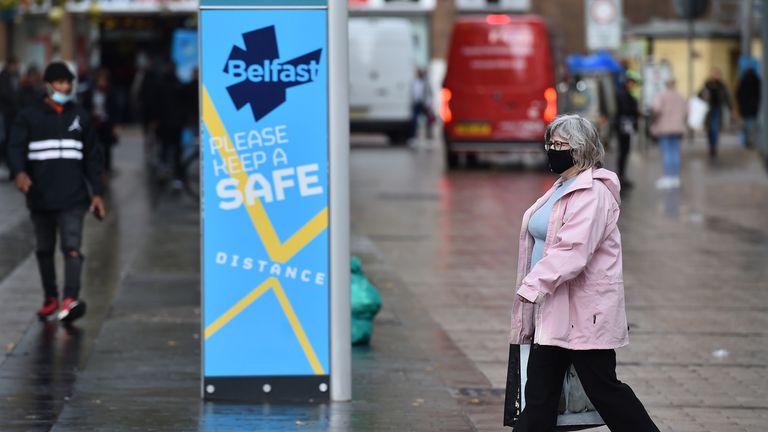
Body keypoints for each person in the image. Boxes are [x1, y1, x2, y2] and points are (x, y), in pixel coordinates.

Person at [509, 114, 660, 432]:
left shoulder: (593, 194)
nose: (551, 149)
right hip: (554, 308)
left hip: (585, 313)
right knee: (538, 398)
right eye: (549, 142)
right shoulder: (563, 186)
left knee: (605, 391)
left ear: (580, 149)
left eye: (559, 144)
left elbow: (573, 251)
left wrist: (532, 285)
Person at [6, 61, 106, 323]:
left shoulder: (80, 116)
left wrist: (96, 192)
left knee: (72, 246)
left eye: (68, 83)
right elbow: (14, 147)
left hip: (73, 197)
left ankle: (70, 299)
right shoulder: (29, 116)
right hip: (40, 196)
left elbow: (93, 157)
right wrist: (19, 172)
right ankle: (51, 298)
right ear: (48, 85)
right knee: (44, 249)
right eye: (60, 83)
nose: (65, 87)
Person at [651, 78, 687, 189]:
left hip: (664, 128)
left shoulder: (661, 96)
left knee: (666, 153)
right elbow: (687, 112)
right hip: (677, 128)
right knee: (675, 153)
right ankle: (675, 177)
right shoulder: (680, 97)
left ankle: (667, 177)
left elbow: (656, 109)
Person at [82, 69, 119, 174]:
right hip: (94, 123)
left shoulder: (110, 92)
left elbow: (114, 109)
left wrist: (114, 125)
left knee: (107, 147)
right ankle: (95, 166)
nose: (102, 83)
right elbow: (85, 107)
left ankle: (107, 168)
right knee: (94, 146)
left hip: (106, 123)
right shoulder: (90, 92)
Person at [698, 68, 732, 158]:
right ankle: (711, 146)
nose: (715, 76)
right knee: (709, 130)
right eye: (714, 74)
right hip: (707, 110)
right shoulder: (706, 85)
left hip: (717, 109)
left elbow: (727, 97)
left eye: (717, 74)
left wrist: (731, 108)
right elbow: (699, 95)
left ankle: (713, 147)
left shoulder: (722, 86)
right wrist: (704, 95)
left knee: (715, 129)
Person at [614, 71, 640, 188]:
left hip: (624, 126)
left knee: (624, 151)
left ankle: (622, 176)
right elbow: (626, 110)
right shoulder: (624, 95)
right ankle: (621, 176)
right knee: (624, 151)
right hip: (624, 126)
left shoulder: (624, 94)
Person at [0, 56, 21, 167]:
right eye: (15, 64)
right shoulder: (4, 76)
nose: (17, 67)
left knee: (9, 136)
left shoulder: (15, 76)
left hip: (12, 112)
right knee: (4, 136)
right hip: (5, 111)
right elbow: (5, 93)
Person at [736, 67, 760, 149]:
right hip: (754, 108)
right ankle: (752, 141)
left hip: (745, 108)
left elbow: (738, 94)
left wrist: (740, 105)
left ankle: (747, 140)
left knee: (746, 125)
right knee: (753, 125)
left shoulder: (743, 81)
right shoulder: (757, 81)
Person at [409, 68, 433, 141]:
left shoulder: (426, 83)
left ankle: (429, 136)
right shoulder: (414, 82)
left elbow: (430, 94)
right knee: (414, 120)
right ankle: (413, 136)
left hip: (424, 104)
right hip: (416, 103)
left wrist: (429, 104)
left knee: (428, 121)